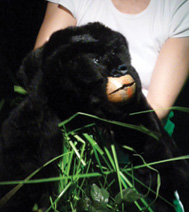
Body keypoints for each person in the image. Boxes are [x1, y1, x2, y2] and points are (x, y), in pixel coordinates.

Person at [34, 1, 188, 210]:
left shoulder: (177, 7)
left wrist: (107, 121)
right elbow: (42, 66)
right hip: (68, 145)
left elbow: (158, 105)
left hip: (139, 157)